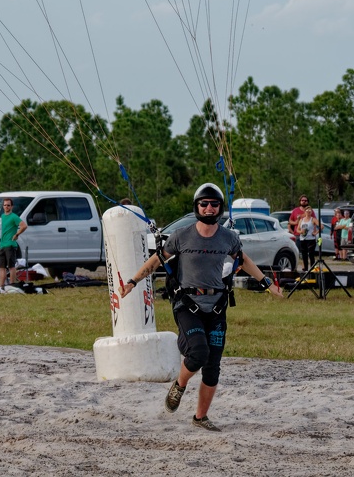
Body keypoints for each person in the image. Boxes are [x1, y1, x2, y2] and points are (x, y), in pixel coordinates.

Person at [120, 182, 283, 432]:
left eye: (214, 204)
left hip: (216, 305)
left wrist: (267, 283)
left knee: (212, 367)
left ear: (220, 208)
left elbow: (244, 261)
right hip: (188, 304)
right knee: (198, 353)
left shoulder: (229, 237)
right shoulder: (181, 236)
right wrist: (133, 280)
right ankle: (179, 386)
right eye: (204, 204)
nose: (209, 208)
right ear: (197, 207)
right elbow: (156, 260)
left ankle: (200, 417)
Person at [0, 198, 27, 292]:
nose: (6, 207)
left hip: (10, 245)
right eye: (5, 205)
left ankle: (12, 286)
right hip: (2, 244)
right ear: (3, 206)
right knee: (1, 267)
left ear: (12, 206)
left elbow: (24, 225)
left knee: (11, 266)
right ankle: (1, 287)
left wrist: (17, 234)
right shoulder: (2, 216)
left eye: (8, 205)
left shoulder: (14, 216)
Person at [297, 206, 319, 272]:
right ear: (305, 212)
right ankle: (305, 268)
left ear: (311, 212)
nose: (308, 212)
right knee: (304, 255)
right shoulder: (302, 220)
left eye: (310, 211)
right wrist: (301, 231)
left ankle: (312, 268)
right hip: (303, 239)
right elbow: (298, 229)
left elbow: (321, 226)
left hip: (311, 239)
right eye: (307, 211)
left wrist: (315, 232)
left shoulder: (313, 219)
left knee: (311, 254)